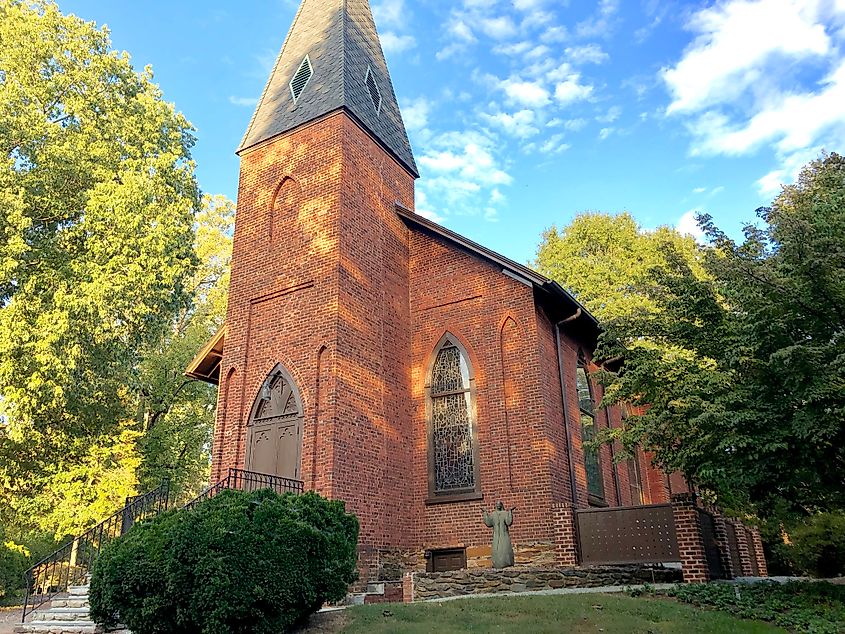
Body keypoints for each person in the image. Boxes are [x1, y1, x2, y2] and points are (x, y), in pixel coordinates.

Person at [482, 502, 515, 568]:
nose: (498, 505)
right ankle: (497, 563)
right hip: (496, 536)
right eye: (497, 504)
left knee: (506, 548)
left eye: (499, 504)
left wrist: (510, 512)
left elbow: (509, 522)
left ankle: (507, 563)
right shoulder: (493, 514)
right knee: (496, 549)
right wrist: (485, 513)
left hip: (504, 535)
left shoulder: (505, 513)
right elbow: (488, 523)